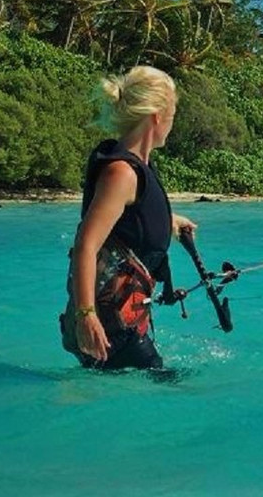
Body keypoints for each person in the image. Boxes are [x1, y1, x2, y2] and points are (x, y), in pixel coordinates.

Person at [60, 65, 196, 370]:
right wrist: (85, 316)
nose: (172, 124)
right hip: (109, 327)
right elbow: (86, 244)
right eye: (173, 114)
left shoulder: (136, 167)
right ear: (157, 116)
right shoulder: (121, 173)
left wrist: (171, 221)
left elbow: (128, 220)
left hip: (126, 318)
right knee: (177, 395)